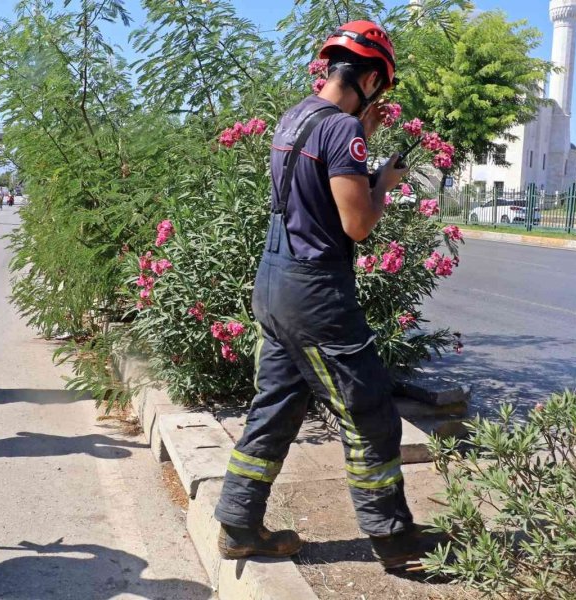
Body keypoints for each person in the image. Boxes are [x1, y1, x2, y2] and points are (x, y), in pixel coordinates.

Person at [213, 21, 445, 572]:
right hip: (316, 291)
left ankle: (239, 523)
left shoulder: (296, 118)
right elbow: (358, 224)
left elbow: (309, 192)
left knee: (276, 406)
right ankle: (395, 540)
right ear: (368, 78)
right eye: (379, 88)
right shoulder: (343, 133)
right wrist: (383, 182)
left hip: (274, 280)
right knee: (367, 411)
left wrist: (359, 132)